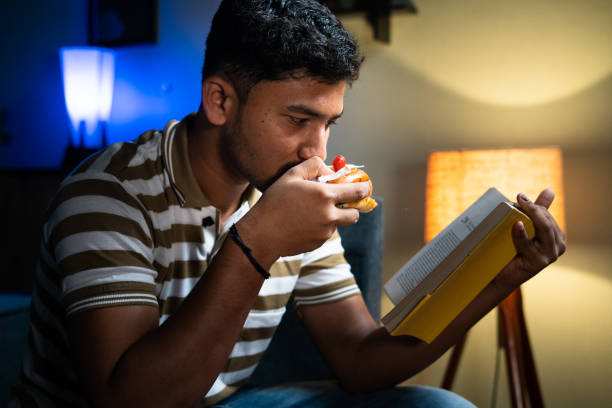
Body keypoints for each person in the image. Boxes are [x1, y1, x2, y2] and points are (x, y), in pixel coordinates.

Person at [11, 0, 566, 407]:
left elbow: (361, 361)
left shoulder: (289, 191)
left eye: (328, 124)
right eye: (298, 120)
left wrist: (498, 278)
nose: (316, 151)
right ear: (220, 100)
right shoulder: (107, 195)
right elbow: (128, 402)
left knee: (441, 407)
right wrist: (258, 242)